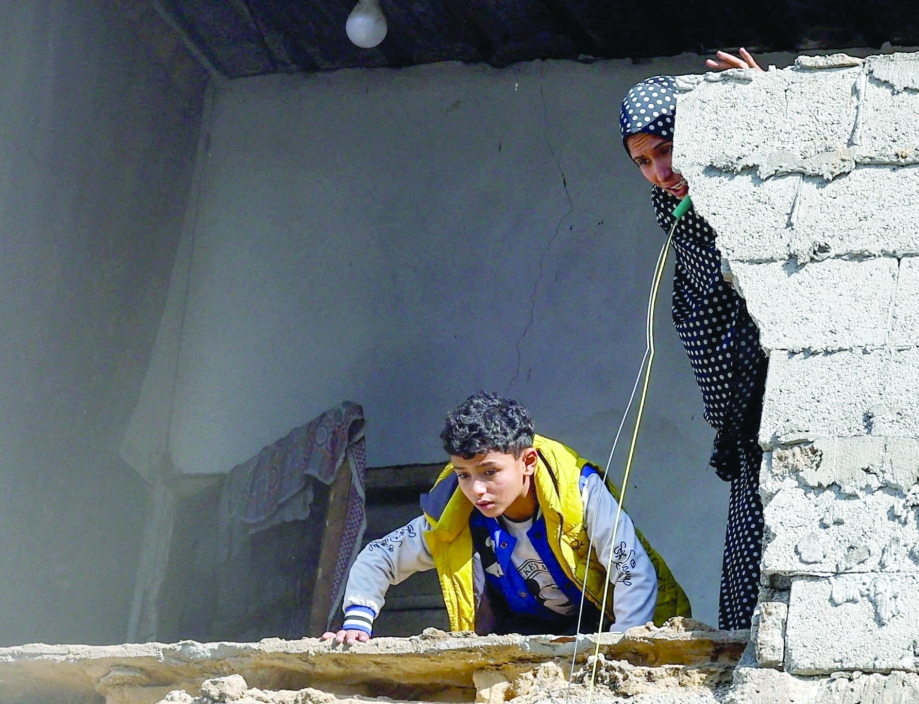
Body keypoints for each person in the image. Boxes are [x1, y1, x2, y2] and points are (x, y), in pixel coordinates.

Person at [322, 392, 690, 644]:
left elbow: (632, 574)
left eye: (489, 472)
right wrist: (357, 621)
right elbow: (379, 556)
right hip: (523, 637)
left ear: (527, 461)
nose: (476, 490)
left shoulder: (581, 492)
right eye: (464, 474)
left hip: (605, 626)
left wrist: (615, 653)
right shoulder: (452, 511)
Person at [619, 58, 768, 630]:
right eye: (642, 161)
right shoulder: (679, 221)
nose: (661, 171)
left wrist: (757, 102)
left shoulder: (744, 197)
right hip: (745, 431)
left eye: (667, 148)